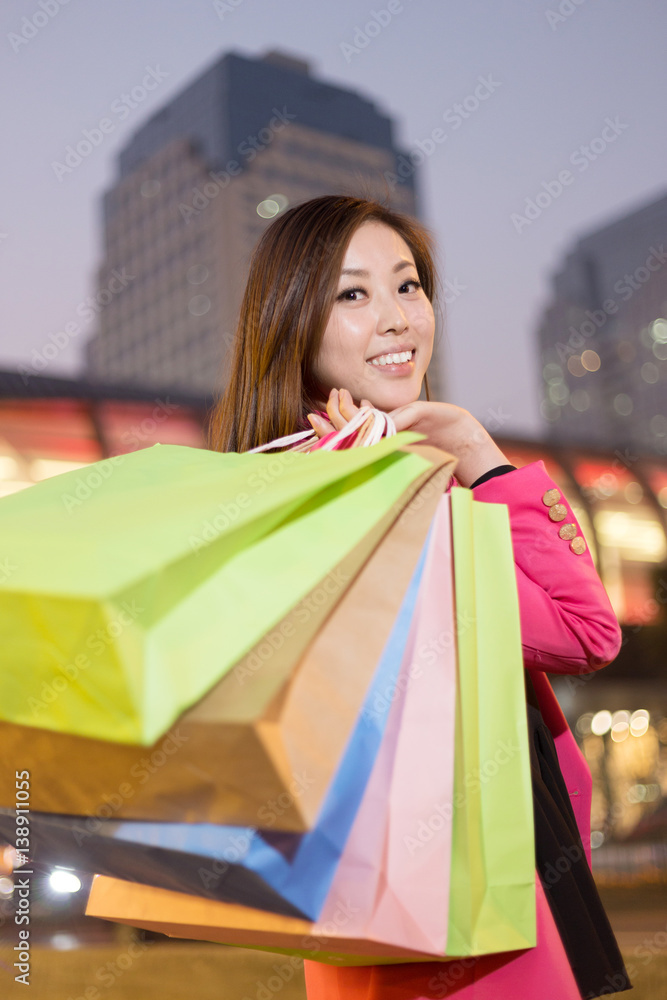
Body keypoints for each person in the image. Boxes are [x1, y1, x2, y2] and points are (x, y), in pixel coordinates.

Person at [209, 195, 631, 999]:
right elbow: (585, 631)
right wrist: (479, 455)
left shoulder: (278, 491)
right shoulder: (367, 500)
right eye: (353, 294)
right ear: (294, 322)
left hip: (392, 910)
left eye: (408, 286)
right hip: (464, 918)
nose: (398, 318)